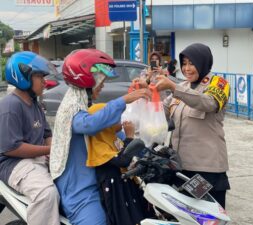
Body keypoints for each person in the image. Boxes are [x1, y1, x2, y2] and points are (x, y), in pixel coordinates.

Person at [49, 49, 151, 225]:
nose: (102, 85)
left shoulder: (84, 104)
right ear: (87, 80)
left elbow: (113, 131)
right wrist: (125, 99)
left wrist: (145, 150)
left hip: (98, 181)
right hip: (80, 189)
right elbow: (90, 124)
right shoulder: (70, 108)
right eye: (100, 80)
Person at [139, 43, 230, 208]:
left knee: (206, 217)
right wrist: (147, 93)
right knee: (185, 215)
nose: (187, 68)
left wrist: (173, 87)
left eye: (192, 63)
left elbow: (208, 103)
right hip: (181, 167)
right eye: (184, 63)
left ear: (203, 62)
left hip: (206, 170)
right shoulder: (182, 87)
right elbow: (161, 113)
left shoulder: (219, 84)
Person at [0, 51, 60, 225]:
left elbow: (47, 134)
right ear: (23, 77)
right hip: (13, 165)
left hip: (35, 160)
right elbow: (12, 148)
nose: (44, 81)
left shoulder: (35, 104)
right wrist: (51, 149)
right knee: (46, 194)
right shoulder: (10, 106)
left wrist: (55, 151)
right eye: (39, 77)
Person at [87, 103, 151, 225]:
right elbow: (122, 160)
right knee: (124, 218)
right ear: (104, 123)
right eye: (116, 117)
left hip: (124, 184)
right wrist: (130, 137)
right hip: (116, 190)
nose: (121, 120)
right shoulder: (98, 144)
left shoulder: (114, 138)